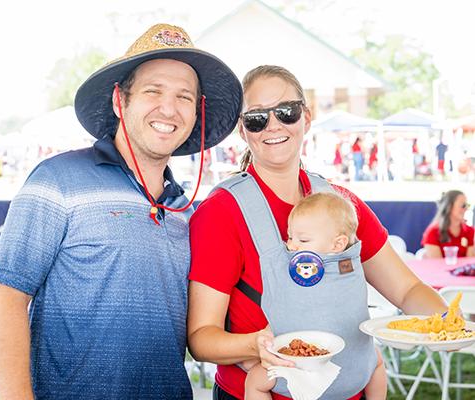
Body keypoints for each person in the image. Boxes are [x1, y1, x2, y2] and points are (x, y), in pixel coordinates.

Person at [0, 23, 242, 399]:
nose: (169, 109)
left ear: (196, 112)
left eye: (184, 97)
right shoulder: (56, 179)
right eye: (153, 91)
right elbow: (7, 297)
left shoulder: (185, 209)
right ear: (120, 101)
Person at [187, 65, 447, 400]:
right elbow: (201, 338)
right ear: (243, 130)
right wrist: (255, 345)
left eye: (286, 111)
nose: (274, 125)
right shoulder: (221, 213)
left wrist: (447, 325)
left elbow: (408, 289)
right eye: (257, 118)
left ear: (306, 118)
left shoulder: (342, 204)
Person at [244, 192, 387, 400]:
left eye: (302, 239)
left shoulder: (301, 268)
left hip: (300, 370)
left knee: (254, 382)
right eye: (290, 237)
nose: (292, 246)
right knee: (378, 360)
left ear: (338, 244)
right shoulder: (350, 266)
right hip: (357, 370)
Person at [422, 190, 475, 258]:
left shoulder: (469, 231)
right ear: (449, 207)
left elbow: (469, 262)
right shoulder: (432, 232)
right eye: (463, 205)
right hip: (442, 268)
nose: (466, 209)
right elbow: (436, 264)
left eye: (467, 205)